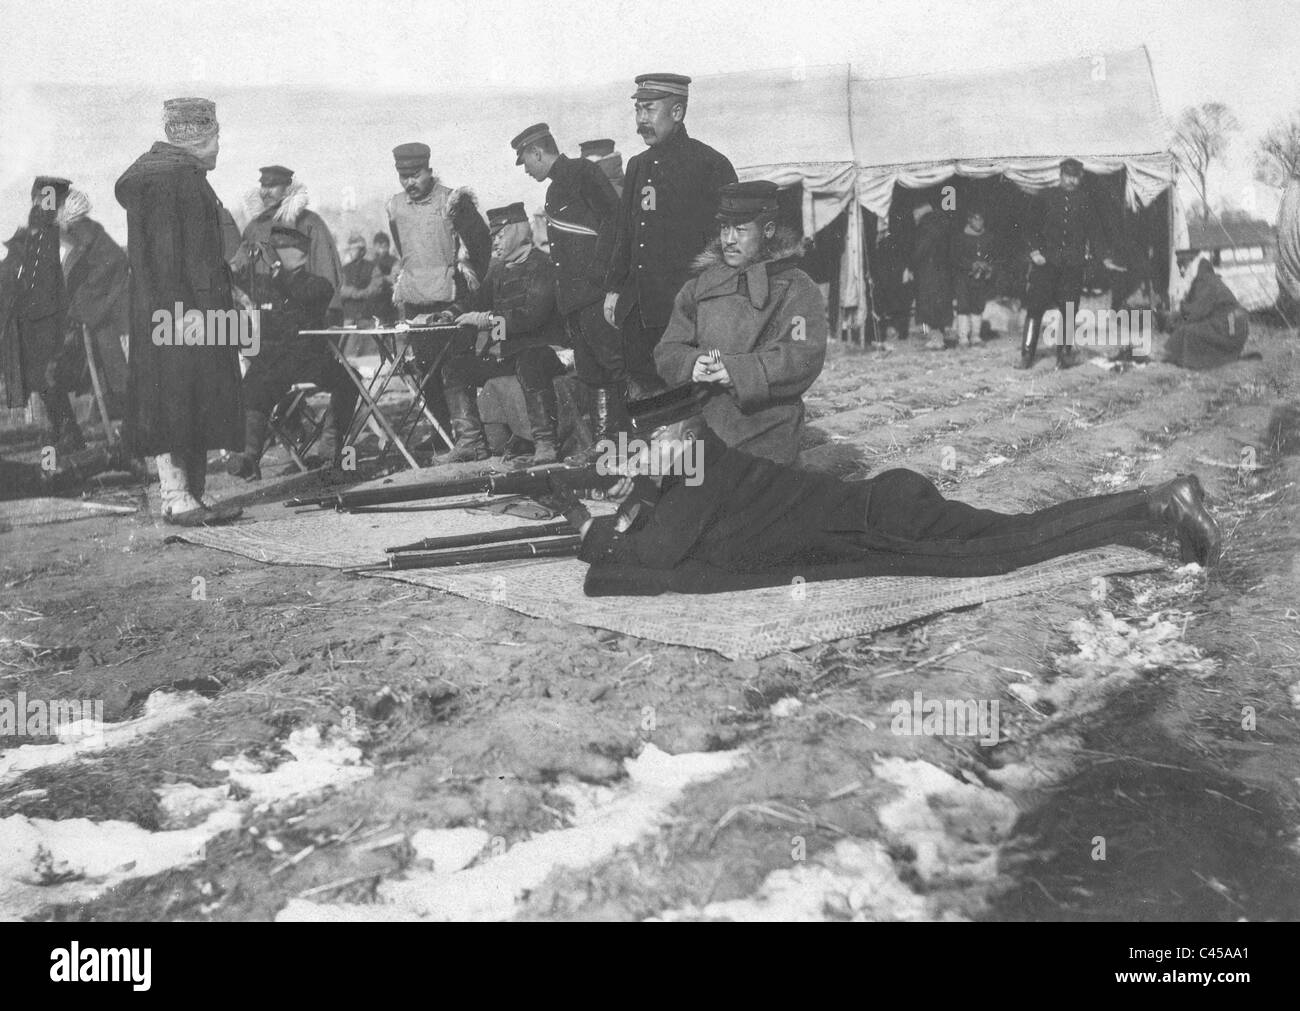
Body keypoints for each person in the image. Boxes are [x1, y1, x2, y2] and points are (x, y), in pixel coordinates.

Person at [543, 384, 1222, 597]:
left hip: (889, 518)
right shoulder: (710, 463)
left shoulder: (697, 475)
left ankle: (1153, 504)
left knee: (1010, 546)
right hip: (887, 503)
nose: (649, 460)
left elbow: (656, 560)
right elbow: (665, 520)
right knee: (1007, 530)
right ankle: (1152, 504)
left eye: (653, 447)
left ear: (678, 437)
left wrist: (593, 534)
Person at [115, 97, 242, 525]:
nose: (220, 144)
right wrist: (185, 313)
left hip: (180, 311)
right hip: (180, 312)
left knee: (190, 398)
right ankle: (175, 495)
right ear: (197, 137)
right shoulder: (173, 180)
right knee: (173, 399)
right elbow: (170, 259)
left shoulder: (175, 175)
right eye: (216, 135)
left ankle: (190, 495)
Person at [654, 181, 826, 465]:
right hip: (701, 420)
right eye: (724, 228)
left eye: (741, 229)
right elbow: (668, 348)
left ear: (768, 230)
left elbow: (801, 357)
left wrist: (735, 372)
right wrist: (691, 363)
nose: (729, 239)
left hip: (766, 428)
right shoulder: (698, 286)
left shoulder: (796, 286)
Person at [603, 73, 737, 398]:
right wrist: (614, 288)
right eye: (638, 111)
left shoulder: (710, 165)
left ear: (677, 112)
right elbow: (627, 231)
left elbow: (728, 240)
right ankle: (654, 445)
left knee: (685, 387)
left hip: (685, 304)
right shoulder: (638, 166)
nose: (640, 121)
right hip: (641, 303)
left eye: (648, 110)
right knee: (643, 381)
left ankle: (685, 446)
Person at [513, 122, 626, 448]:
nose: (526, 170)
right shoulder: (554, 189)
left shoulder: (583, 173)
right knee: (593, 376)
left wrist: (602, 275)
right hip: (575, 302)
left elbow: (614, 221)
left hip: (595, 297)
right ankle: (605, 456)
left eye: (526, 161)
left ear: (537, 151)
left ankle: (629, 452)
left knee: (615, 371)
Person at [438, 202, 566, 464]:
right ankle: (470, 442)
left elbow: (530, 318)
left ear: (517, 232)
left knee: (530, 361)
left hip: (545, 352)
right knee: (455, 369)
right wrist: (450, 313)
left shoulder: (544, 266)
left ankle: (545, 443)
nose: (494, 242)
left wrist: (486, 320)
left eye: (499, 236)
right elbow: (476, 302)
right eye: (492, 236)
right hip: (510, 355)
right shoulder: (498, 269)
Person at [225, 226, 357, 480]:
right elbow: (230, 281)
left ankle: (329, 450)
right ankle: (249, 456)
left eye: (280, 251)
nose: (274, 257)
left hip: (308, 358)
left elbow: (299, 294)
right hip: (274, 361)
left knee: (349, 381)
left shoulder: (317, 285)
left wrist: (276, 272)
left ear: (301, 256)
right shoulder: (265, 284)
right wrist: (239, 261)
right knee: (252, 387)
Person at [385, 141, 491, 442]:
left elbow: (482, 250)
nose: (409, 182)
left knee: (455, 369)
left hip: (452, 301)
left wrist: (468, 293)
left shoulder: (453, 202)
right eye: (403, 176)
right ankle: (441, 432)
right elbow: (404, 249)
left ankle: (469, 435)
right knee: (425, 370)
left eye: (415, 175)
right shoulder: (394, 207)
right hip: (417, 302)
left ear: (429, 170)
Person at [0, 177, 83, 452]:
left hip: (50, 317)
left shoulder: (48, 227)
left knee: (48, 377)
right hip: (38, 316)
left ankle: (67, 434)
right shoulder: (41, 224)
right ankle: (65, 433)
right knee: (43, 379)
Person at [1016, 158, 1121, 370]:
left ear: (1080, 177)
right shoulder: (1046, 197)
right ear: (1060, 174)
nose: (1071, 181)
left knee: (1069, 310)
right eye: (1068, 176)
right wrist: (1034, 251)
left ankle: (1064, 354)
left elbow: (1095, 233)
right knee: (1035, 308)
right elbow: (1029, 227)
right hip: (1045, 263)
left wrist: (1104, 258)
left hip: (1072, 266)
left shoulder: (1085, 201)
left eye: (1075, 177)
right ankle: (1026, 355)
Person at [232, 165, 345, 322]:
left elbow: (327, 270)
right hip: (262, 316)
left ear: (287, 189)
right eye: (263, 186)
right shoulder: (254, 228)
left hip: (302, 314)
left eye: (272, 186)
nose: (265, 192)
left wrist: (331, 314)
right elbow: (240, 270)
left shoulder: (310, 223)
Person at [58, 188, 131, 421]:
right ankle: (117, 418)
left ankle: (130, 421)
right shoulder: (81, 234)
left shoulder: (84, 233)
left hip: (108, 313)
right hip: (102, 311)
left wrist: (82, 301)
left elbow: (115, 262)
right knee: (107, 368)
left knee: (115, 367)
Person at [1162, 253, 1250, 369]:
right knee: (1194, 329)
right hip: (1236, 325)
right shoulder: (1208, 279)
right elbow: (1199, 309)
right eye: (1181, 266)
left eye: (1185, 266)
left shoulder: (1205, 282)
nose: (1183, 270)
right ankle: (1221, 356)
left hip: (1230, 326)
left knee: (1187, 332)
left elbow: (1195, 313)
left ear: (1193, 267)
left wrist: (1178, 313)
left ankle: (1188, 359)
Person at [906, 202, 954, 350]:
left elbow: (920, 250)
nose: (914, 219)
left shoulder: (925, 227)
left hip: (928, 273)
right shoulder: (944, 225)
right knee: (940, 305)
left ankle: (936, 339)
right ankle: (939, 338)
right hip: (943, 272)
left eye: (915, 215)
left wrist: (911, 264)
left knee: (929, 306)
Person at [950, 206, 996, 348]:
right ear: (969, 220)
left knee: (978, 304)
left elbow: (994, 256)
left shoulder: (988, 237)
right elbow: (955, 257)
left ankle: (976, 336)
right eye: (976, 219)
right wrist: (971, 264)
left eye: (981, 219)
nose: (979, 222)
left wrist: (987, 266)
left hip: (980, 278)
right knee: (963, 305)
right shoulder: (960, 237)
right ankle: (963, 337)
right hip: (963, 277)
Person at [338, 233, 382, 325]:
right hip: (348, 316)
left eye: (355, 249)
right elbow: (341, 290)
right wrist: (356, 293)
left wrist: (358, 293)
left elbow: (375, 289)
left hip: (367, 316)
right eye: (350, 249)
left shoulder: (373, 267)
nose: (351, 251)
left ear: (363, 251)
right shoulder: (344, 269)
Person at [370, 231, 397, 322]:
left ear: (388, 246)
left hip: (389, 300)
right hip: (375, 301)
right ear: (374, 247)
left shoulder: (394, 261)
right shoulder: (371, 262)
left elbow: (394, 278)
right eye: (378, 246)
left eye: (384, 246)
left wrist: (380, 279)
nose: (381, 249)